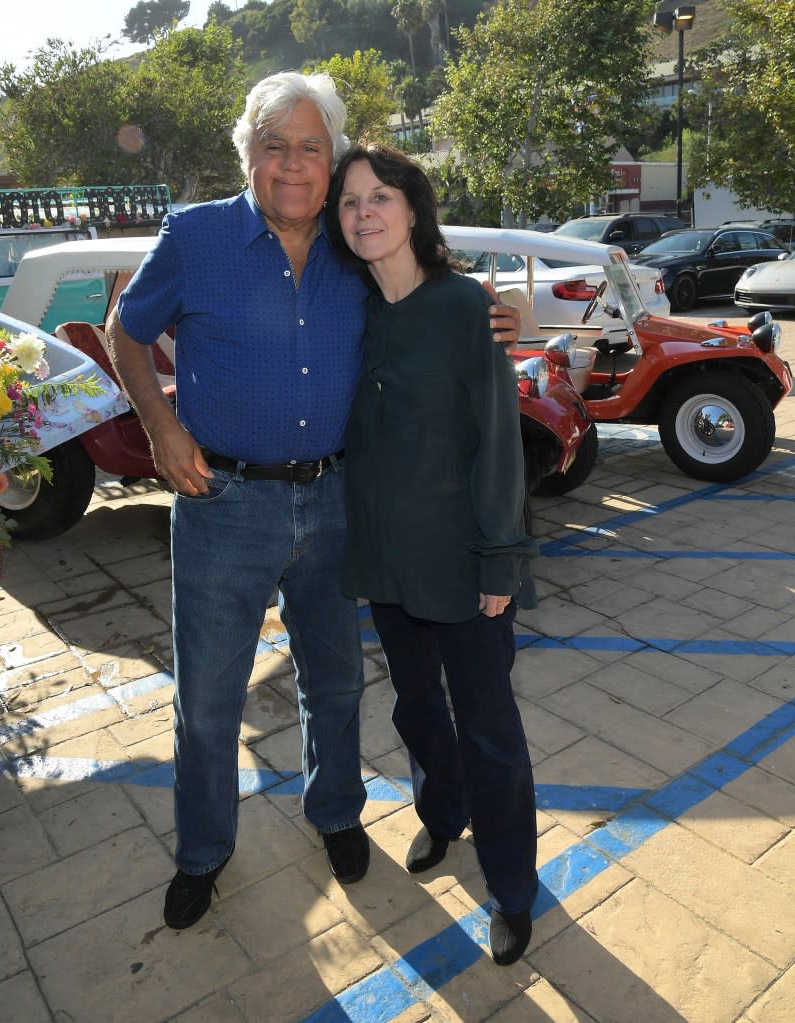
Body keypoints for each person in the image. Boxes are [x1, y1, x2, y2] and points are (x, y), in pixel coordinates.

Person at [105, 72, 523, 932]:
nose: (292, 164)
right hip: (221, 500)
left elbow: (430, 286)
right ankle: (204, 849)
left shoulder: (350, 241)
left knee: (334, 683)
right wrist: (160, 426)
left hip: (336, 501)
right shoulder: (195, 235)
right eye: (273, 145)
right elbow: (126, 330)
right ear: (247, 154)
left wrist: (499, 307)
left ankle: (334, 811)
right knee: (209, 697)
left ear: (329, 158)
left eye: (309, 146)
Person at [326, 144, 539, 966]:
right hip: (382, 559)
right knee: (414, 707)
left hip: (461, 560)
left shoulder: (465, 308)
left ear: (414, 209)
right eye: (349, 203)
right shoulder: (351, 308)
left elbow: (497, 442)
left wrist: (499, 561)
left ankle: (512, 887)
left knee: (489, 726)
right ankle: (441, 815)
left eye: (380, 196)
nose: (364, 213)